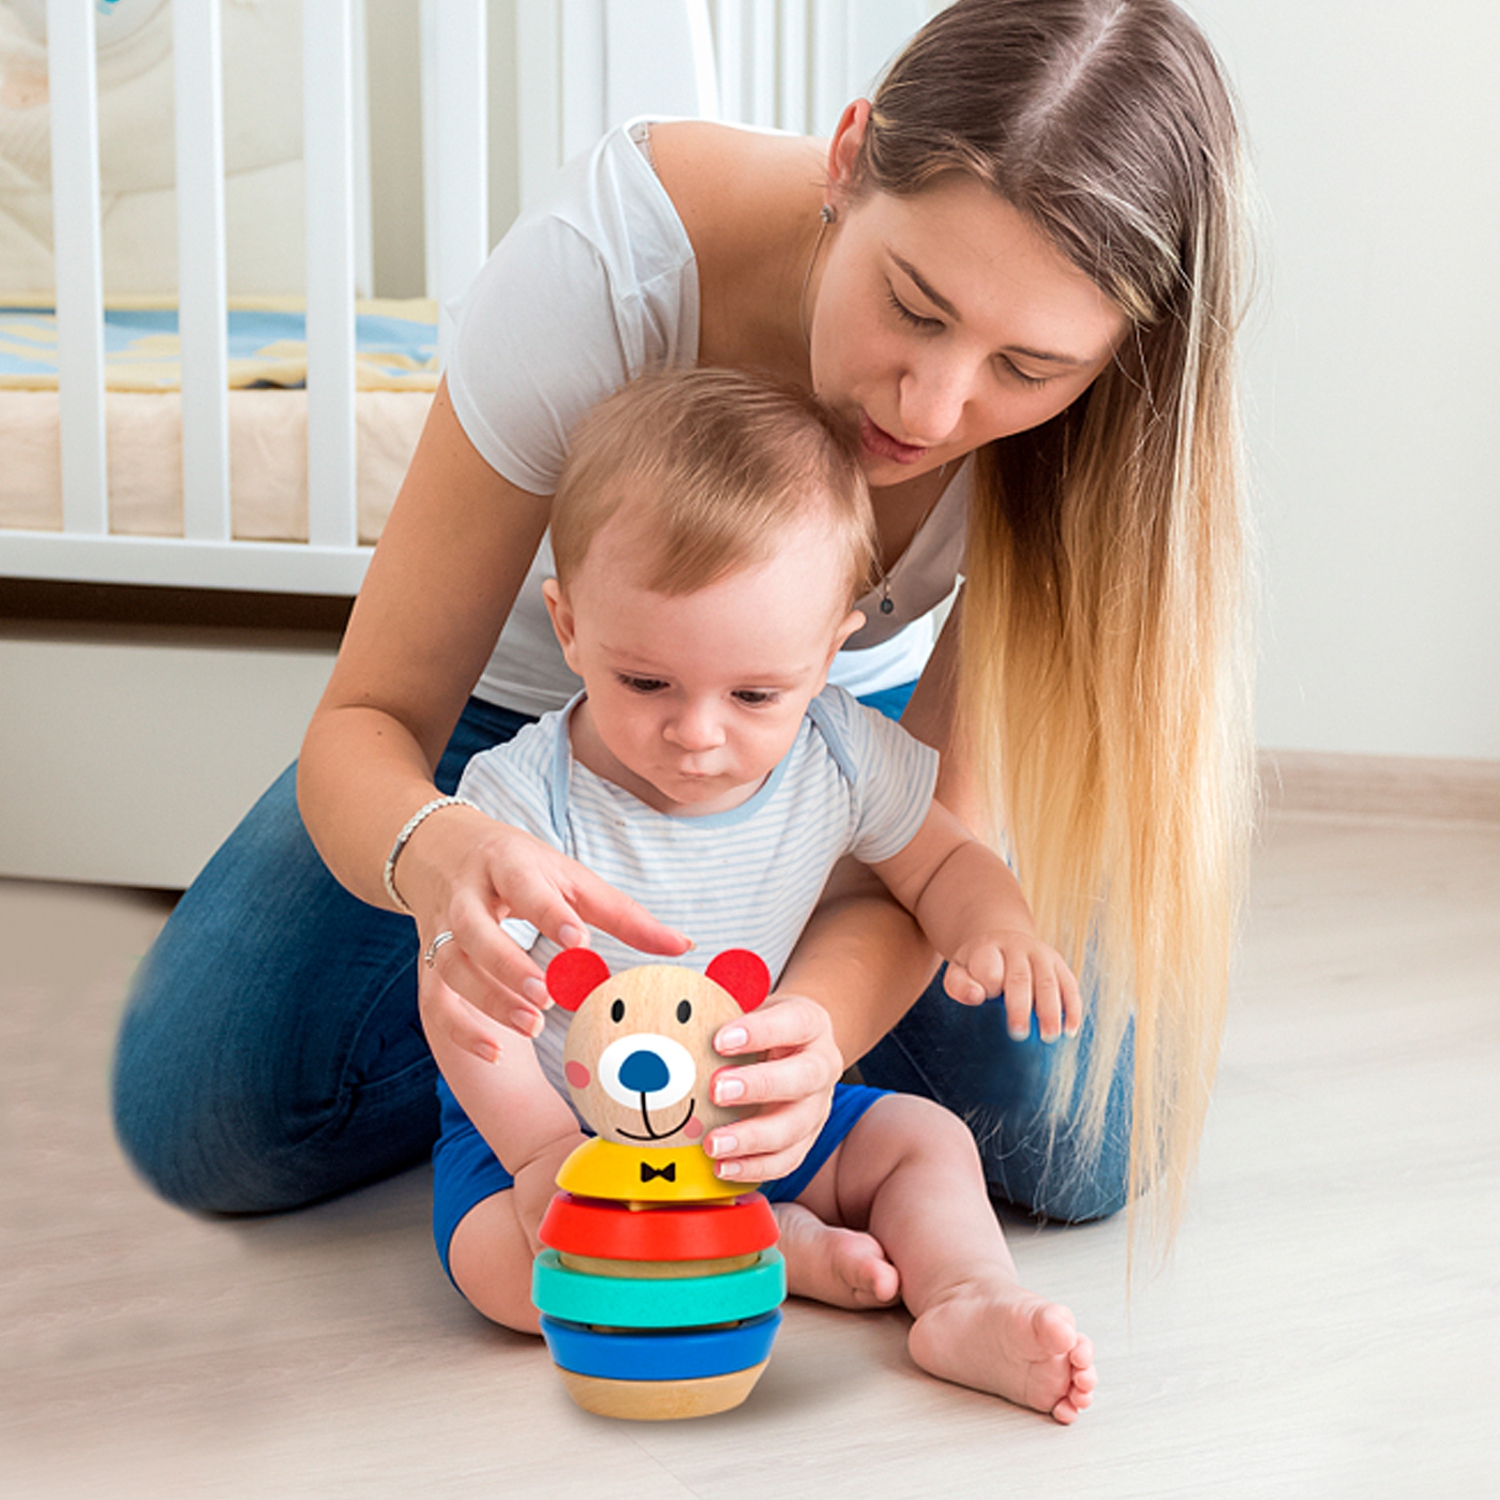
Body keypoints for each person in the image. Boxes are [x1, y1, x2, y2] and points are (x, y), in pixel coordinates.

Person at [113, 0, 1253, 1256]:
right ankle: (568, 1081)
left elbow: (928, 847)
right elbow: (368, 723)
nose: (933, 408)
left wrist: (806, 1036)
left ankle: (694, 1102)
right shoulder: (606, 269)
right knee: (206, 1114)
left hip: (810, 750)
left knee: (1090, 1142)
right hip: (511, 743)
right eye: (914, 307)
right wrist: (442, 863)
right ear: (846, 156)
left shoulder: (1098, 434)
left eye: (1027, 369)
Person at [430, 366, 1094, 1422]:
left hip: (762, 1120)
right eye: (645, 682)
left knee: (928, 1143)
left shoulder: (838, 749)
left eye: (754, 694)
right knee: (506, 1282)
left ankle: (968, 1297)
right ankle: (772, 1246)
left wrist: (997, 926)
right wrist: (539, 1152)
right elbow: (460, 997)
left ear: (829, 652)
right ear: (567, 626)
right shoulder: (521, 796)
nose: (697, 734)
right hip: (564, 1129)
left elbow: (942, 861)